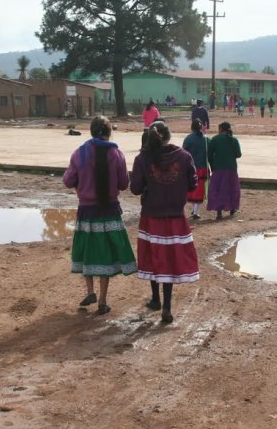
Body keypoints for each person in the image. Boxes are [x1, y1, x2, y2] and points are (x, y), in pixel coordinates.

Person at [63, 116, 136, 315]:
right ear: (108, 131)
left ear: (91, 131)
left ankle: (90, 291)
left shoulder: (80, 153)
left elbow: (68, 181)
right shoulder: (116, 153)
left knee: (88, 250)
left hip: (87, 211)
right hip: (110, 211)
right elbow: (123, 184)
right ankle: (103, 300)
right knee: (106, 255)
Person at [130, 120, 199, 324]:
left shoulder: (142, 158)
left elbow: (134, 188)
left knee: (153, 256)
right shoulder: (184, 157)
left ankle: (155, 299)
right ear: (168, 136)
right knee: (169, 259)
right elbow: (193, 183)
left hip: (151, 216)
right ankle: (167, 306)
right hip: (176, 216)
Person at [207, 121, 242, 220]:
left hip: (218, 168)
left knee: (217, 189)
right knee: (232, 188)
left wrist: (212, 166)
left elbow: (209, 155)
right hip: (231, 168)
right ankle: (232, 208)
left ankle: (219, 212)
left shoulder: (215, 139)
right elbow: (238, 154)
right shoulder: (234, 140)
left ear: (221, 129)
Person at [182, 118, 210, 219]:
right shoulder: (206, 139)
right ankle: (195, 211)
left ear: (192, 127)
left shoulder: (188, 138)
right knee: (199, 190)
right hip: (202, 168)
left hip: (191, 168)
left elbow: (183, 153)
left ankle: (194, 210)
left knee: (191, 189)